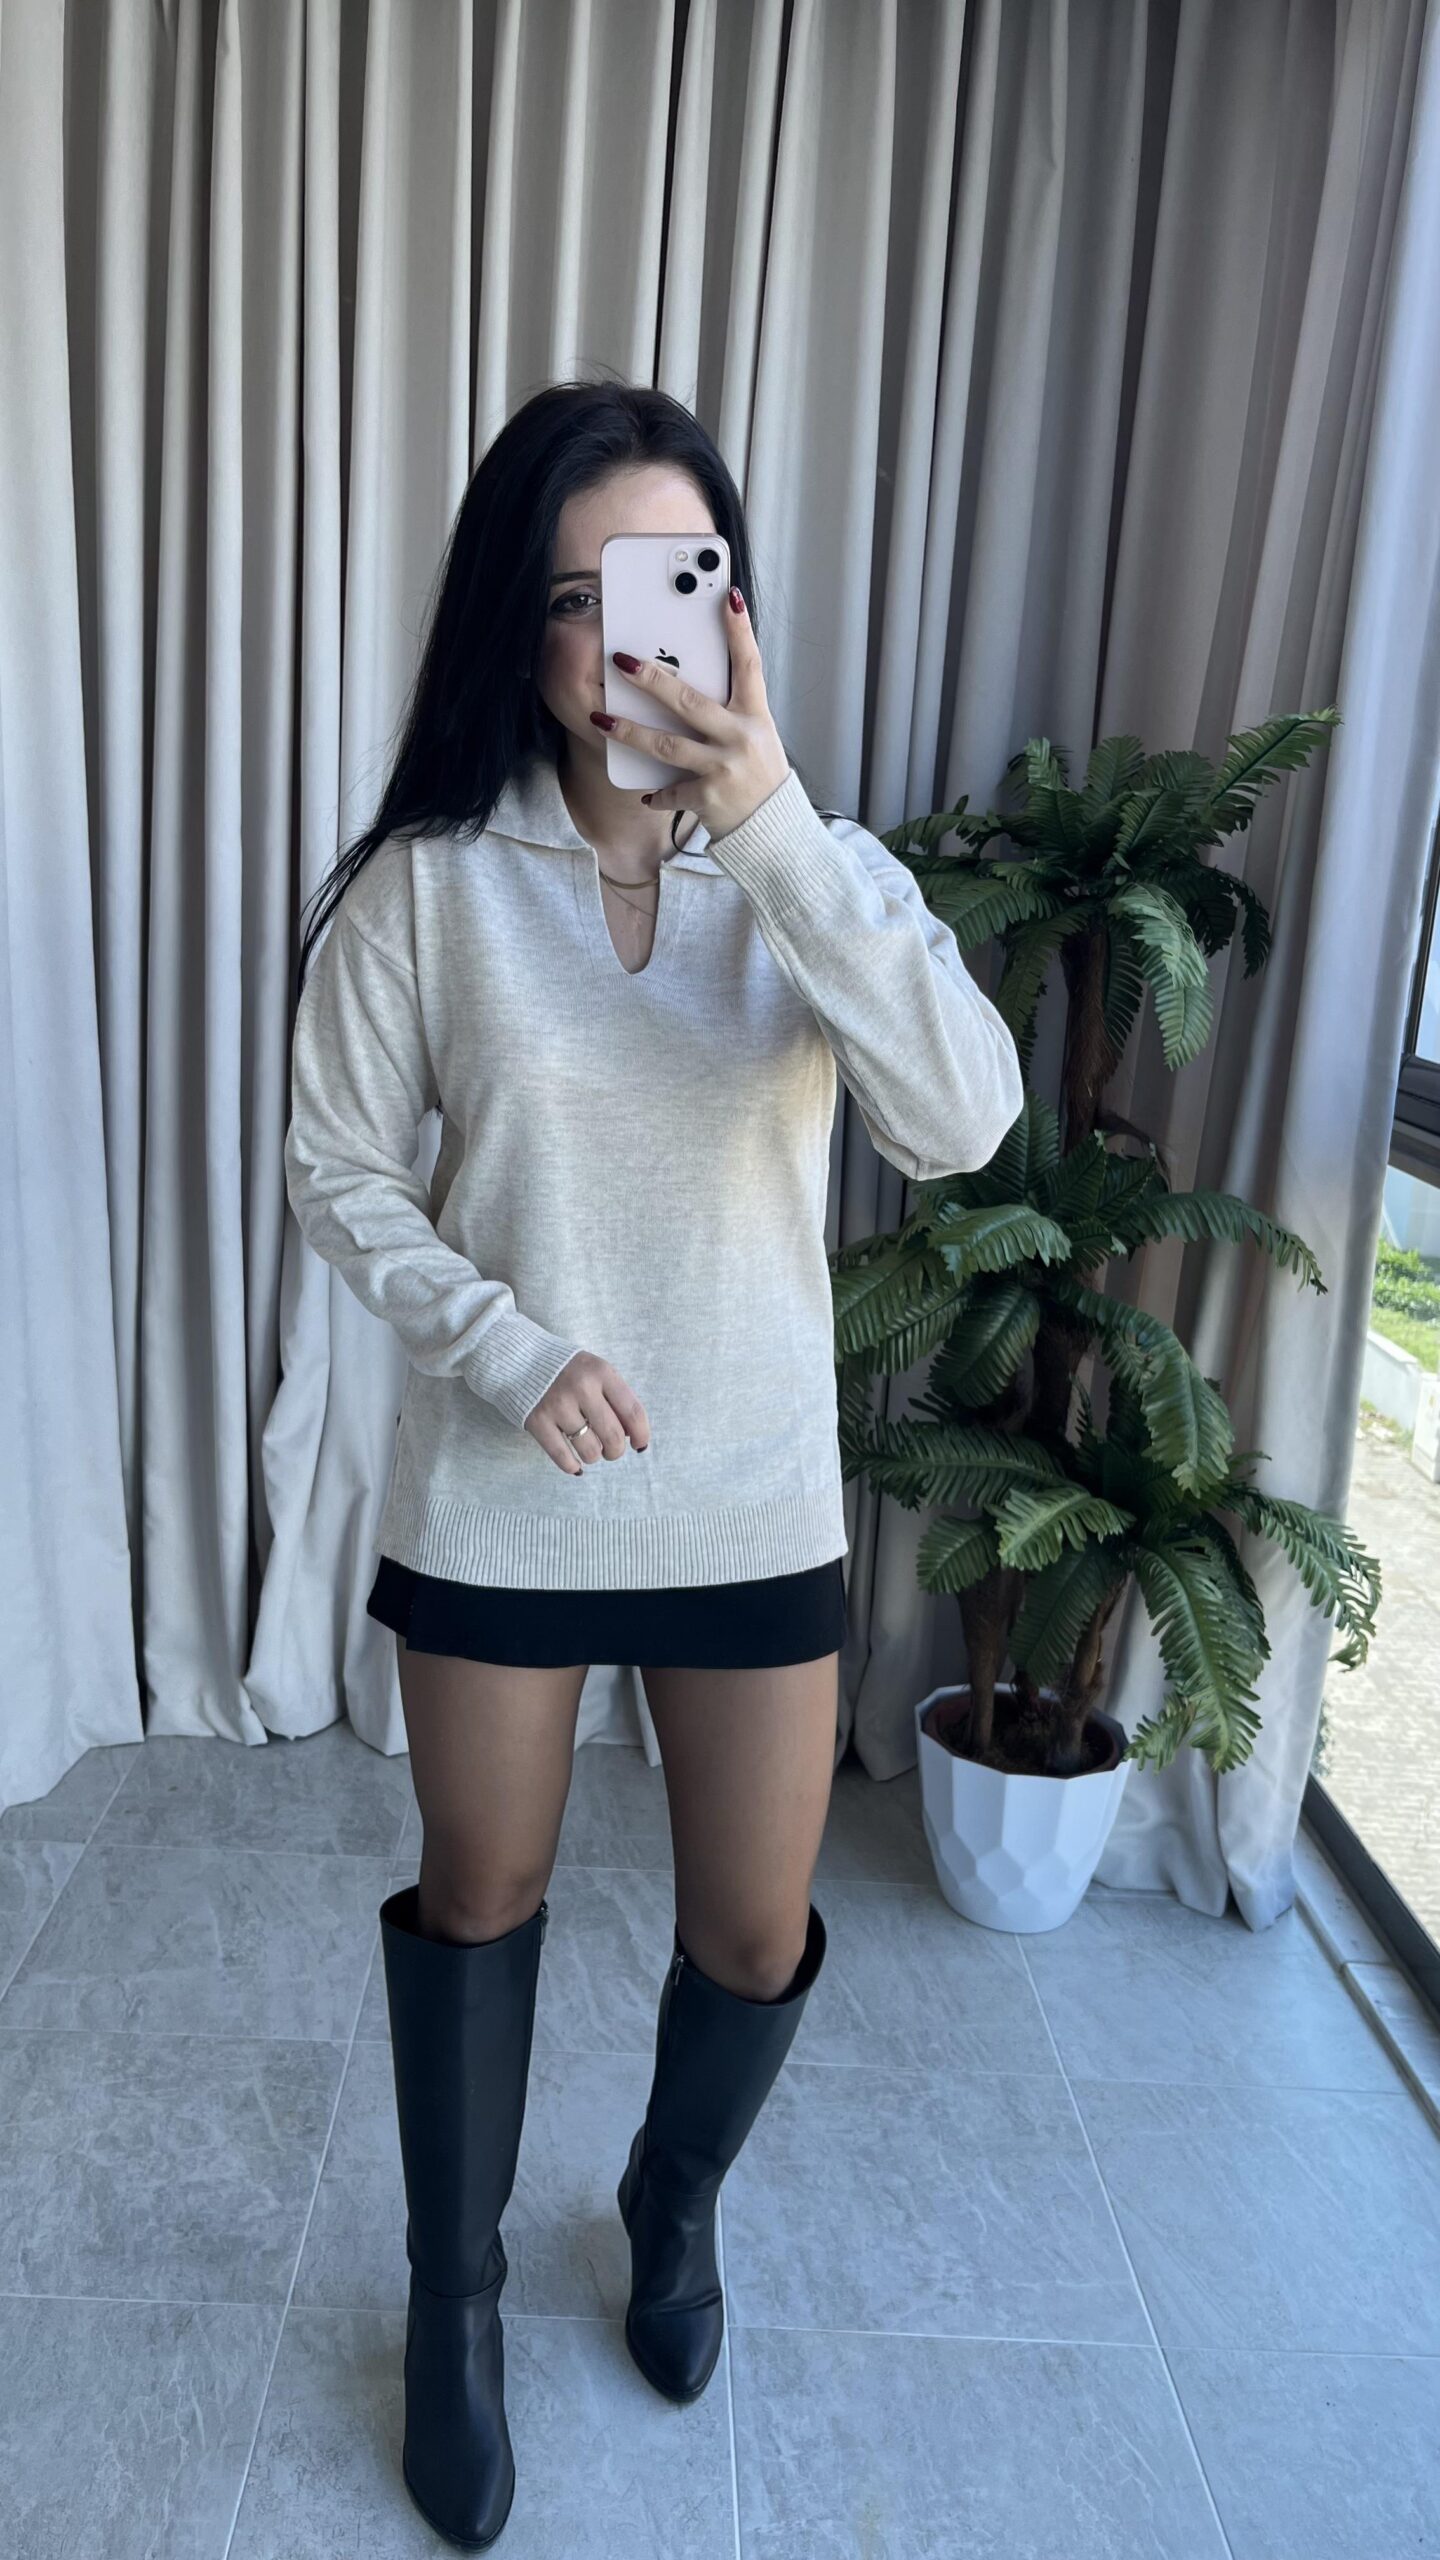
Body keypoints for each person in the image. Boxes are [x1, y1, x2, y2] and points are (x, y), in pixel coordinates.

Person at [283, 377, 1024, 2549]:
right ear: (519, 629)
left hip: (749, 1492)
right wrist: (506, 1347)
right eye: (579, 598)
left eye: (669, 588)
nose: (627, 645)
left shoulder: (817, 878)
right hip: (504, 1491)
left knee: (756, 1922)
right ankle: (453, 2295)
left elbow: (963, 1122)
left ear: (731, 613)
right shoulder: (427, 888)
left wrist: (769, 824)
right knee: (480, 1894)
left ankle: (670, 2199)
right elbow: (339, 1169)